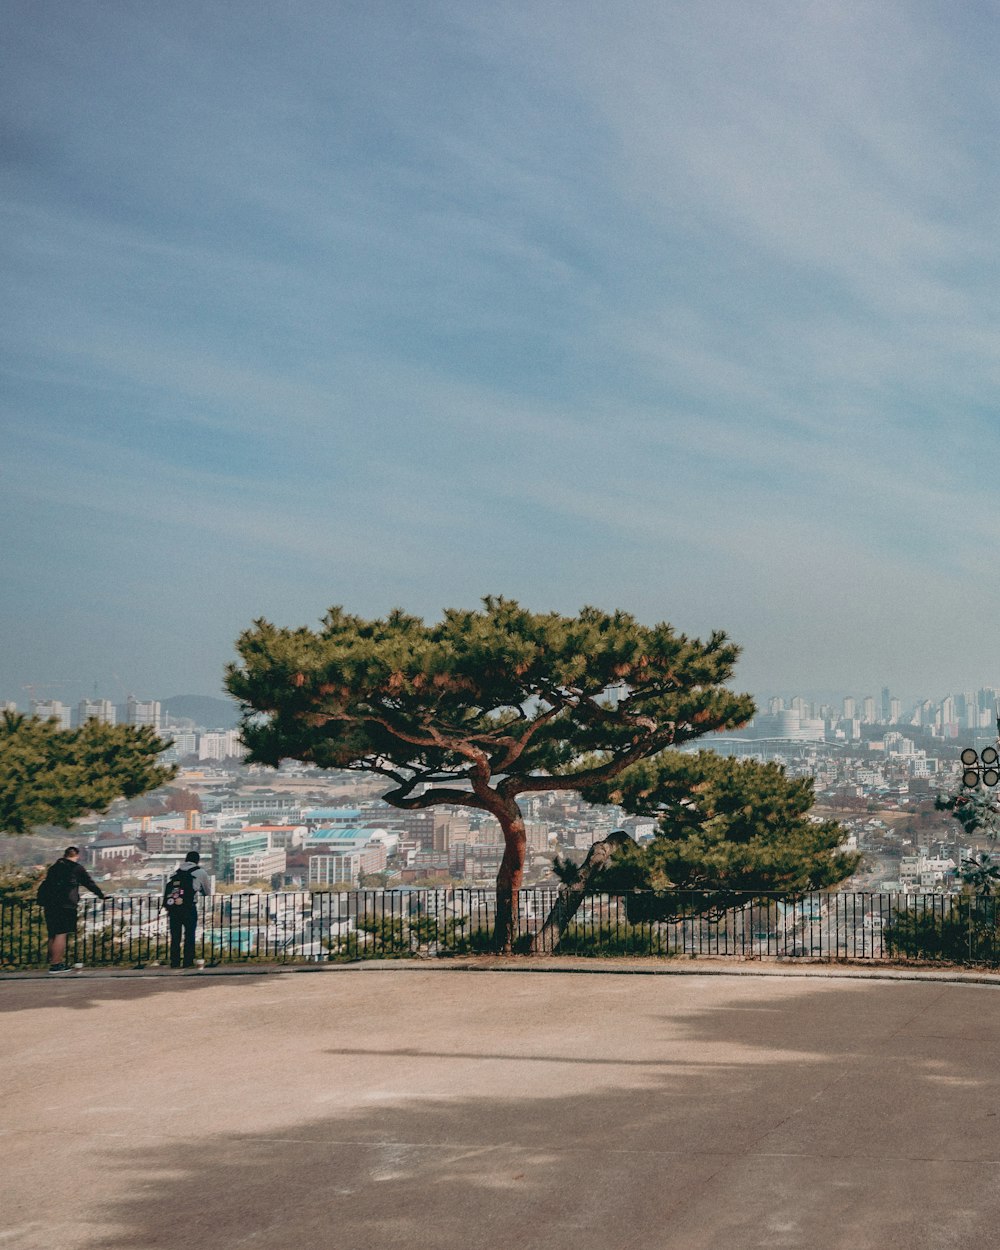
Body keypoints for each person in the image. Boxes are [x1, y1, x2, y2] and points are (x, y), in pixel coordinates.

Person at [36, 846, 106, 973]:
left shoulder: (54, 868)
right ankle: (56, 964)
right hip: (65, 904)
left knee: (53, 933)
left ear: (65, 854)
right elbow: (89, 883)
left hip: (50, 904)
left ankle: (52, 962)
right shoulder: (76, 868)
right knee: (61, 933)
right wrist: (101, 895)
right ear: (77, 856)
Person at [163, 851, 211, 969]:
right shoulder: (200, 872)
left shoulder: (176, 872)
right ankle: (188, 961)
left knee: (175, 936)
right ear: (197, 860)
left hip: (174, 908)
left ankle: (174, 961)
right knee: (189, 934)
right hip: (189, 907)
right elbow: (207, 892)